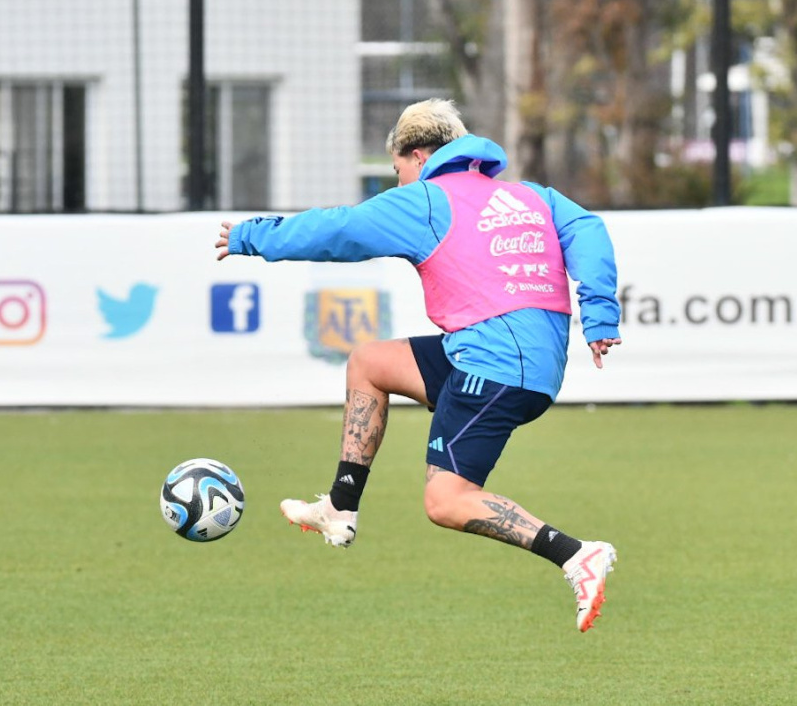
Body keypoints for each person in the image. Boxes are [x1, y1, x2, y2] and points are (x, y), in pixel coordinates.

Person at [215, 99, 622, 632]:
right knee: (370, 363)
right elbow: (587, 230)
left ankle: (575, 555)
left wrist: (251, 237)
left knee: (446, 501)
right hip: (508, 354)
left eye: (397, 170)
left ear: (417, 154)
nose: (400, 181)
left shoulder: (427, 199)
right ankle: (340, 508)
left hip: (496, 362)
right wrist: (598, 315)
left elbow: (341, 229)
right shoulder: (530, 196)